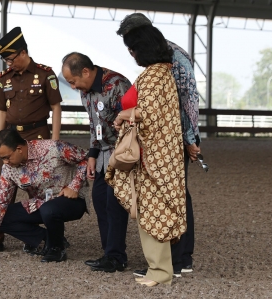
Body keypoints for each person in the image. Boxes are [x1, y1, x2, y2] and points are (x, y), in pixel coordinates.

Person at [116, 13, 201, 277]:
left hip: (171, 140)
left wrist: (190, 139)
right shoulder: (162, 56)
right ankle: (174, 260)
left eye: (131, 46)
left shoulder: (172, 57)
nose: (130, 53)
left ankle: (177, 260)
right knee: (172, 194)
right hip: (164, 138)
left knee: (171, 196)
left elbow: (188, 99)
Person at [106, 25, 187, 286]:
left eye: (132, 48)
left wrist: (123, 115)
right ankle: (159, 270)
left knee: (152, 212)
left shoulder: (154, 75)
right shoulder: (163, 72)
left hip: (153, 157)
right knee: (154, 211)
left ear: (141, 49)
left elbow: (148, 113)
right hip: (160, 154)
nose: (131, 54)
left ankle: (160, 272)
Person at [0, 26, 63, 253]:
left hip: (37, 136)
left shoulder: (45, 74)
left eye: (11, 59)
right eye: (6, 60)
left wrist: (55, 143)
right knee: (4, 189)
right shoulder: (5, 79)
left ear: (23, 52)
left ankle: (53, 237)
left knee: (43, 190)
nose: (9, 64)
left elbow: (56, 107)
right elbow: (1, 112)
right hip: (10, 138)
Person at [61, 52, 132, 273]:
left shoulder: (117, 84)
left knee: (114, 202)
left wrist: (121, 157)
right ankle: (109, 252)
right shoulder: (86, 92)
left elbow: (131, 124)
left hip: (120, 153)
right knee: (100, 200)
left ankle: (116, 256)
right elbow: (94, 125)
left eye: (73, 81)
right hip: (101, 153)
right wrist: (91, 154)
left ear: (85, 71)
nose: (73, 87)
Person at [0, 129, 88, 262]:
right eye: (2, 159)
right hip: (40, 204)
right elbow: (0, 203)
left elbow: (86, 158)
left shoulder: (53, 147)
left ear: (19, 149)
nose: (5, 162)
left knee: (49, 210)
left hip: (71, 200)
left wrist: (74, 186)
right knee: (0, 218)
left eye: (7, 157)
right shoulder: (8, 169)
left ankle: (56, 248)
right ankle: (49, 238)